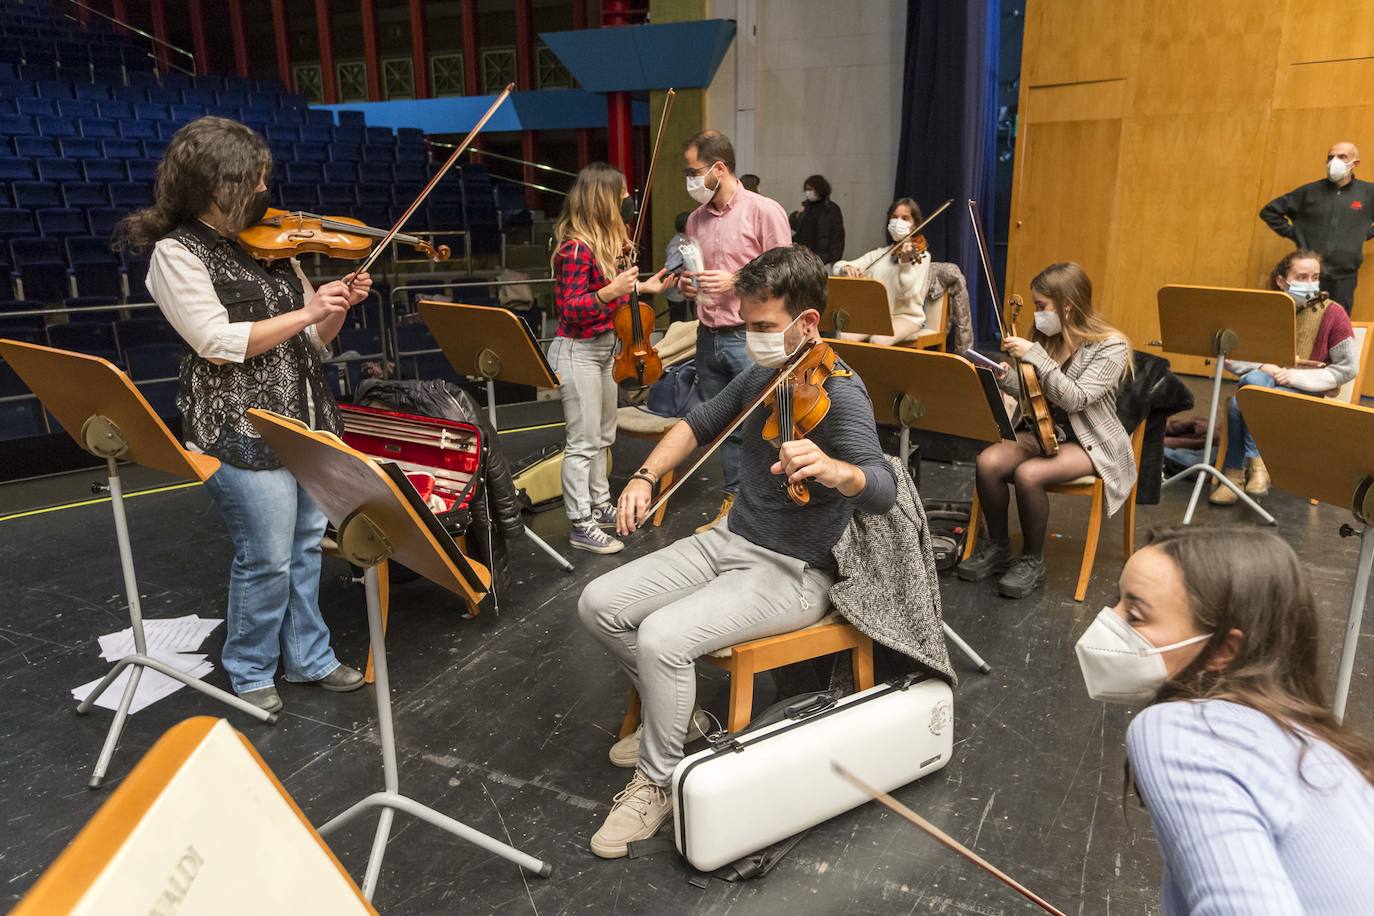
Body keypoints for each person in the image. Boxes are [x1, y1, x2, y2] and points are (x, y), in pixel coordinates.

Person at [577, 246, 896, 858]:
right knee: (599, 603)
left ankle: (658, 781)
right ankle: (685, 723)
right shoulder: (761, 377)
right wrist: (645, 476)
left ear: (808, 324)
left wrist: (835, 468)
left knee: (664, 638)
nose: (752, 338)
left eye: (763, 327)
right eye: (747, 323)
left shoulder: (844, 394)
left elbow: (879, 487)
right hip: (730, 538)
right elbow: (696, 425)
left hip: (797, 570)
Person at [115, 117, 369, 714]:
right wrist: (307, 315)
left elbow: (315, 343)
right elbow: (215, 340)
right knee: (266, 556)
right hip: (239, 428)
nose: (263, 189)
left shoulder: (274, 247)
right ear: (215, 182)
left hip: (304, 418)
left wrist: (334, 307)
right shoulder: (175, 253)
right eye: (252, 179)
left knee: (308, 543)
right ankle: (250, 667)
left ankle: (309, 657)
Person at [1075, 525, 1374, 914]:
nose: (1107, 623)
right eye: (1117, 602)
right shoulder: (1328, 749)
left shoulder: (1181, 729)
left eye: (1134, 615)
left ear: (1223, 649)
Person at [957, 262, 1135, 599]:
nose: (1037, 314)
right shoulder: (1047, 341)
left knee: (1029, 475)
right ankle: (998, 548)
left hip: (1089, 440)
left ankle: (1032, 561)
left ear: (1067, 304)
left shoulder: (1111, 346)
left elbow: (1075, 399)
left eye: (1042, 306)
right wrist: (1003, 376)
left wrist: (1037, 356)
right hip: (1042, 430)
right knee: (988, 462)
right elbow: (1033, 396)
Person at [549, 162, 676, 554]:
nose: (628, 201)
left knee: (604, 436)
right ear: (602, 199)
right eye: (621, 194)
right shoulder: (573, 248)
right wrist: (611, 292)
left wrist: (640, 286)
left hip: (605, 350)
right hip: (578, 353)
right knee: (583, 442)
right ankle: (579, 523)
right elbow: (571, 308)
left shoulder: (603, 246)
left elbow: (612, 295)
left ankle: (600, 505)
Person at [680, 129, 793, 533]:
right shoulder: (695, 219)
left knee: (764, 427)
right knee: (725, 429)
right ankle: (733, 506)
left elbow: (786, 275)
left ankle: (768, 509)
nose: (689, 180)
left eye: (694, 172)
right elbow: (697, 273)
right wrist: (688, 285)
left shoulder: (764, 211)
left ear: (719, 168)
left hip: (750, 336)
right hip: (708, 334)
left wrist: (736, 281)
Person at [1210, 250, 1357, 505]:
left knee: (1240, 403)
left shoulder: (1334, 314)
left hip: (1304, 392)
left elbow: (1347, 368)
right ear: (1282, 281)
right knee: (1253, 386)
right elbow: (1232, 355)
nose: (1310, 282)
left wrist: (1293, 376)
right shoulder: (1265, 309)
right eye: (1301, 276)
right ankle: (1257, 466)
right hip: (1263, 383)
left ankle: (1234, 475)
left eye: (1315, 276)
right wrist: (1265, 365)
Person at [1260, 141, 1374, 313]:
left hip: (1344, 277)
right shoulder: (1309, 192)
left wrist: (1365, 234)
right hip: (1309, 277)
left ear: (1355, 163)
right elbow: (1269, 211)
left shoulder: (1368, 193)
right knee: (1306, 321)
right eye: (1331, 157)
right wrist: (1296, 234)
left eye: (1342, 157)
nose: (1334, 161)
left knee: (1337, 325)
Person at [833, 197, 930, 345]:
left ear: (915, 224)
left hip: (907, 316)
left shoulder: (922, 256)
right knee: (845, 336)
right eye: (894, 217)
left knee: (879, 340)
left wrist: (905, 264)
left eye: (905, 218)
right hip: (877, 316)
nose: (898, 222)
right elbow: (837, 267)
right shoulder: (880, 254)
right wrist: (846, 268)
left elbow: (905, 293)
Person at [789, 174, 845, 266]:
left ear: (819, 189)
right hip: (802, 257)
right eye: (806, 189)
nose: (807, 192)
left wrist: (833, 258)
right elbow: (794, 226)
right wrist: (796, 215)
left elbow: (837, 237)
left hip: (822, 259)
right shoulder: (806, 207)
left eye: (810, 189)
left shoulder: (831, 209)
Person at [662, 210, 691, 324]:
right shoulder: (677, 243)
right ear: (685, 225)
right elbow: (671, 267)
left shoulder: (686, 240)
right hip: (677, 292)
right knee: (677, 323)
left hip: (687, 291)